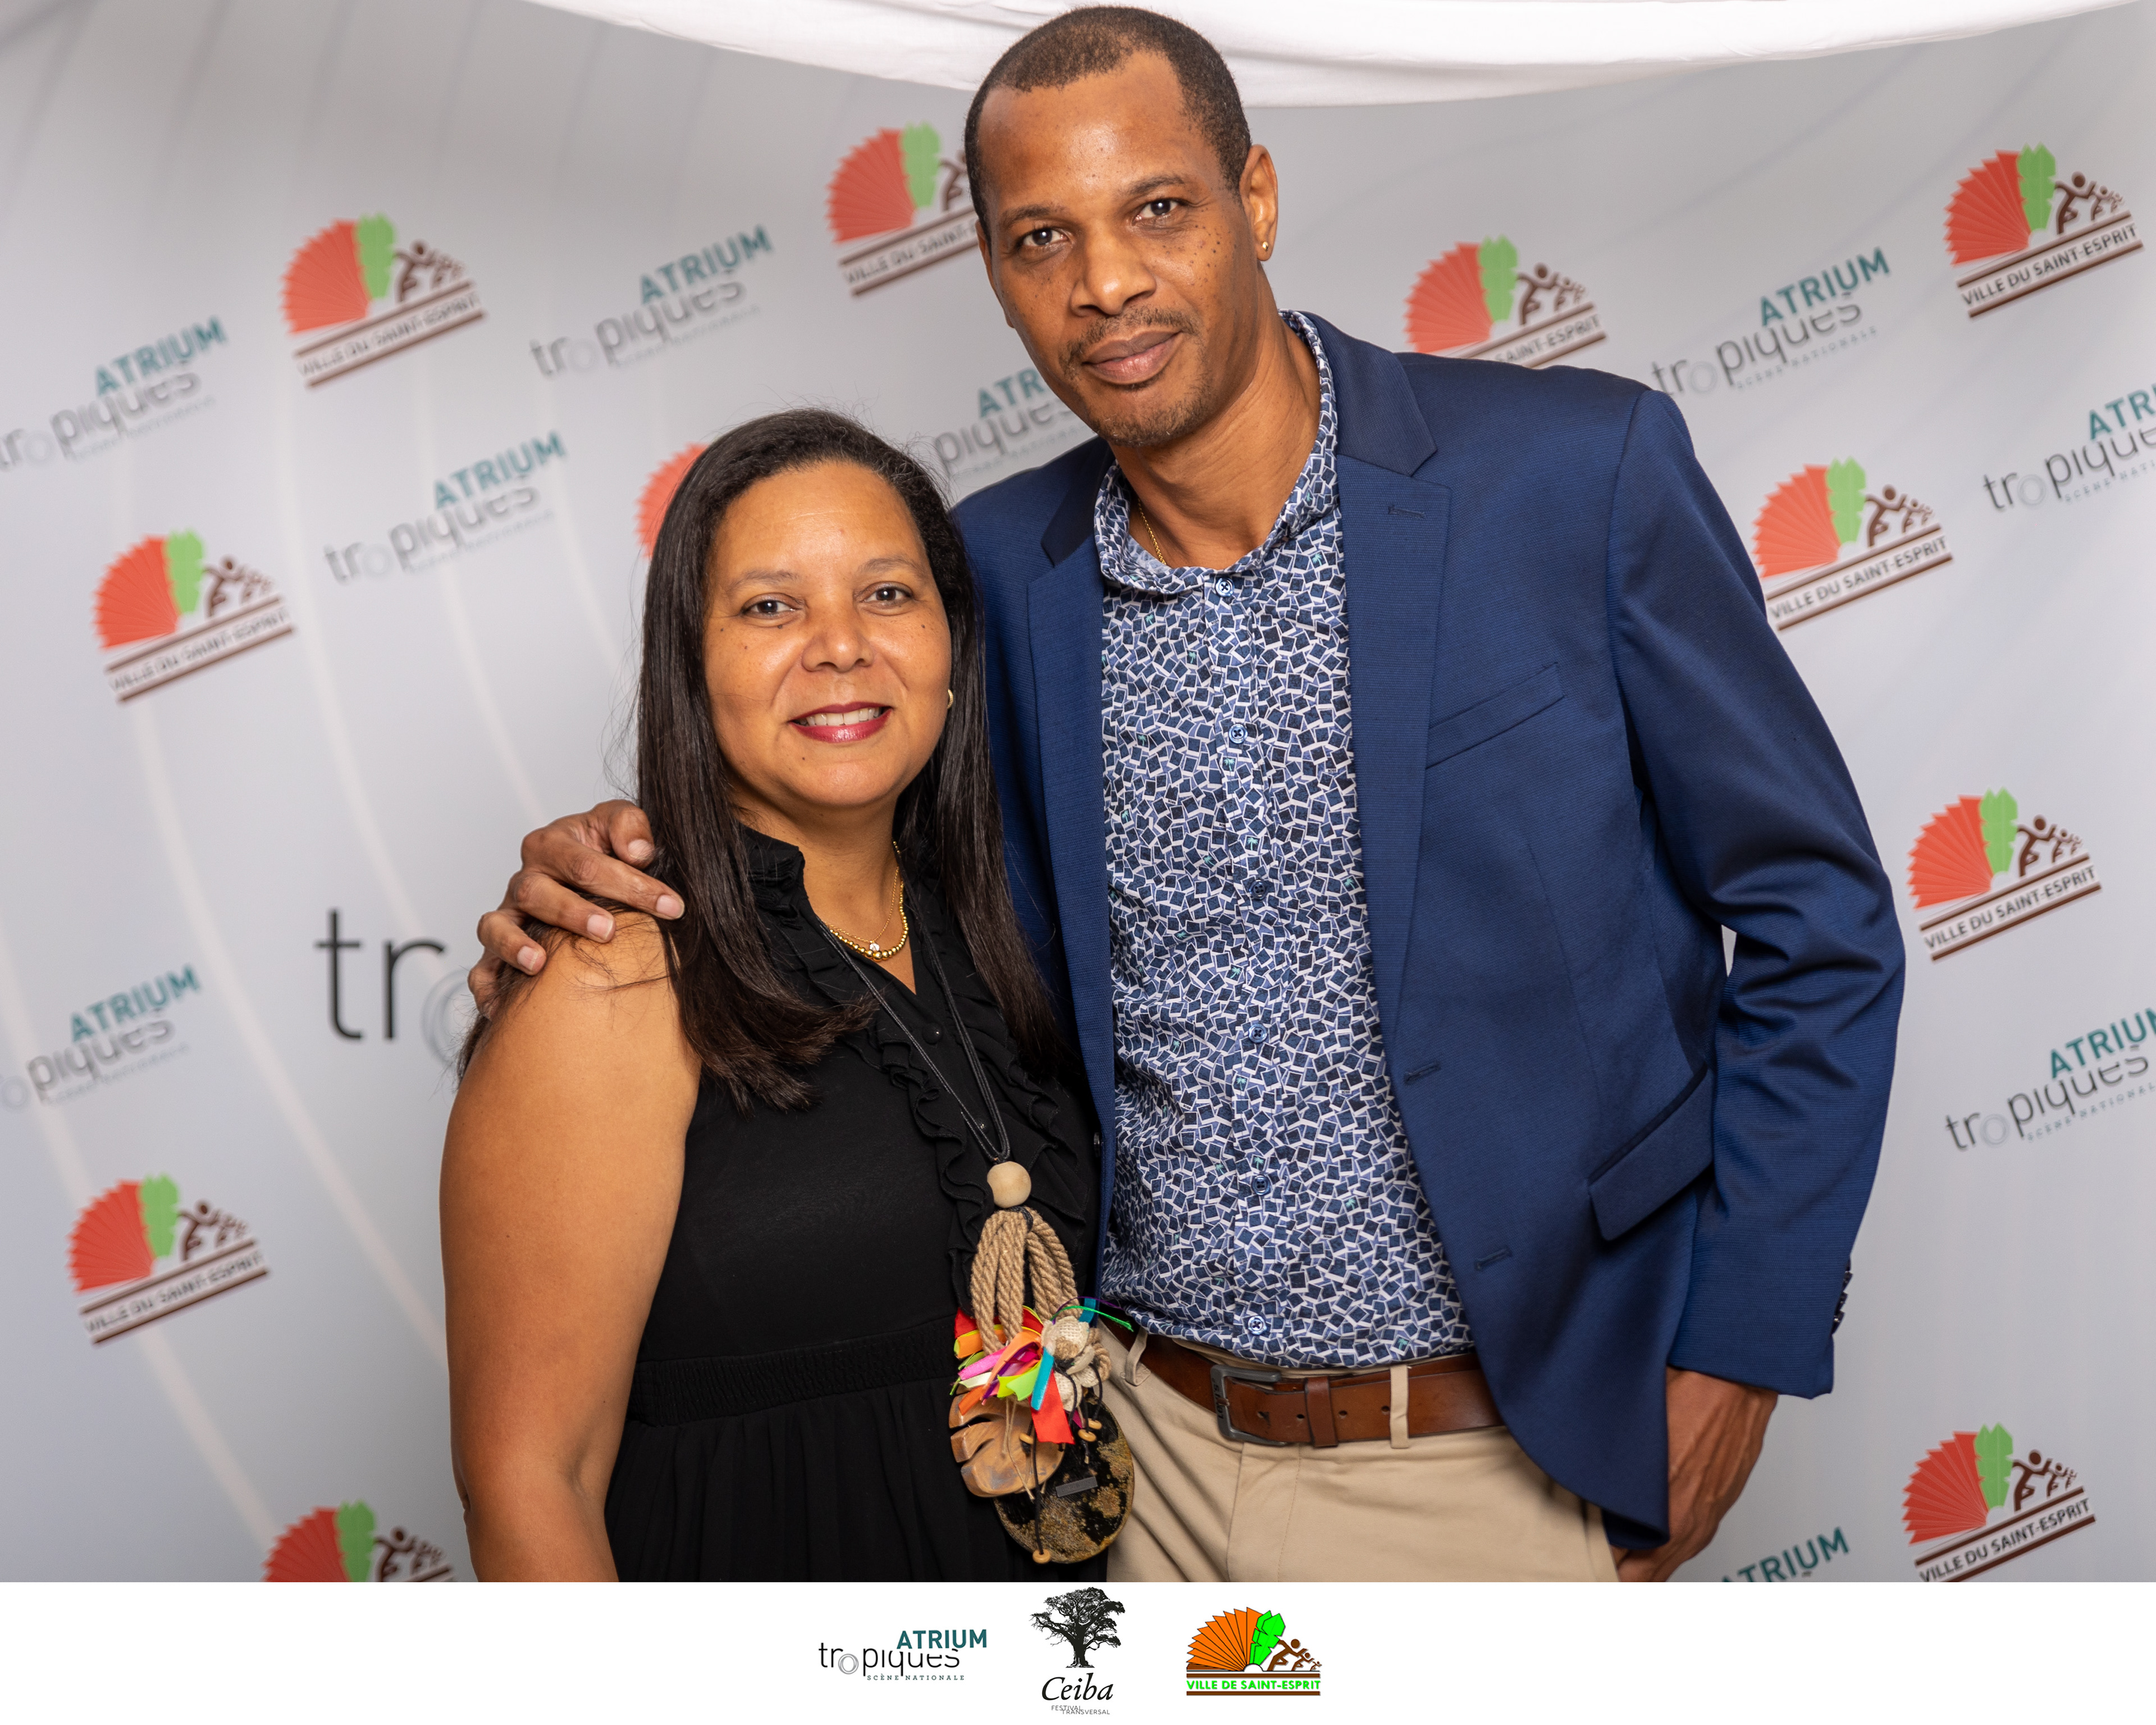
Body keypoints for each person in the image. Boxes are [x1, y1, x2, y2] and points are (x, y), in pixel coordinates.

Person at [471, 8, 1904, 1581]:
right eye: (1042, 238)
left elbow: (1817, 919)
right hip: (1123, 1470)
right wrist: (615, 868)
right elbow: (844, 852)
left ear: (1256, 198)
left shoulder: (1573, 477)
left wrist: (1743, 1348)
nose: (1105, 283)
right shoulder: (992, 578)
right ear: (996, 272)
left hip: (1493, 1454)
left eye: (1157, 208)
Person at [441, 410, 1099, 1581]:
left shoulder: (1002, 926)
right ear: (691, 667)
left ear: (953, 644)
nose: (840, 646)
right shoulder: (612, 973)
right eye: (770, 607)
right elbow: (531, 1483)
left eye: (887, 594)